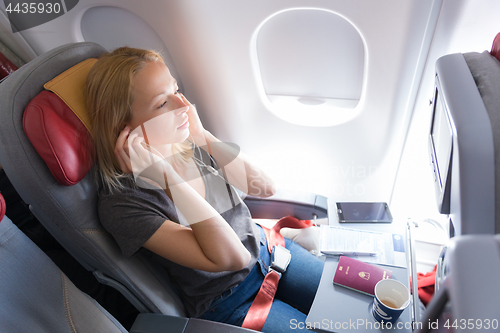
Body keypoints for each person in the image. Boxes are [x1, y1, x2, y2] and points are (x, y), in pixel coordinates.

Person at [86, 46, 324, 332]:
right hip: (232, 301)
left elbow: (264, 186)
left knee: (363, 311)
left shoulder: (182, 141)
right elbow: (232, 258)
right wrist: (167, 178)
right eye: (162, 103)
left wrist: (202, 136)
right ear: (125, 129)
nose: (183, 106)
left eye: (176, 90)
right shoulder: (122, 204)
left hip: (270, 254)